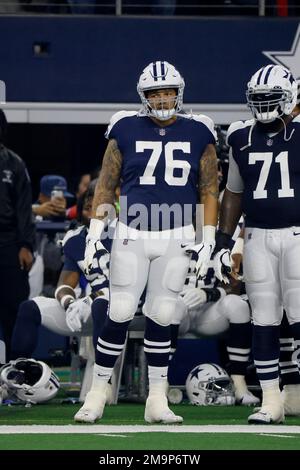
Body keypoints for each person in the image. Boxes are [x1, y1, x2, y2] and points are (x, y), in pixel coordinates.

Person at [75, 60, 219, 424]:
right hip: (133, 232)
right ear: (144, 96)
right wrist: (95, 235)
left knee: (162, 314)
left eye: (167, 91)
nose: (162, 98)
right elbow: (106, 185)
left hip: (177, 236)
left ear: (179, 92)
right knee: (120, 310)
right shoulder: (124, 126)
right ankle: (97, 394)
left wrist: (209, 238)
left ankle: (156, 398)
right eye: (155, 93)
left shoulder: (200, 130)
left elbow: (208, 189)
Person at [215, 64, 300, 424]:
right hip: (258, 237)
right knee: (262, 320)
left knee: (298, 319)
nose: (265, 105)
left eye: (272, 98)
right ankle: (270, 401)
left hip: (297, 235)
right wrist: (223, 240)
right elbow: (234, 193)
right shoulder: (240, 137)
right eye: (259, 99)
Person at [174, 254, 259, 406]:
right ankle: (159, 387)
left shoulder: (222, 238)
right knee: (170, 308)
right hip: (175, 308)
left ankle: (239, 384)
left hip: (207, 311)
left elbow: (234, 283)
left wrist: (209, 293)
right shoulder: (171, 234)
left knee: (237, 305)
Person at [0, 109, 36, 363]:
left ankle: (17, 369)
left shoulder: (13, 163)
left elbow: (25, 208)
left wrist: (25, 246)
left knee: (14, 309)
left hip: (8, 243)